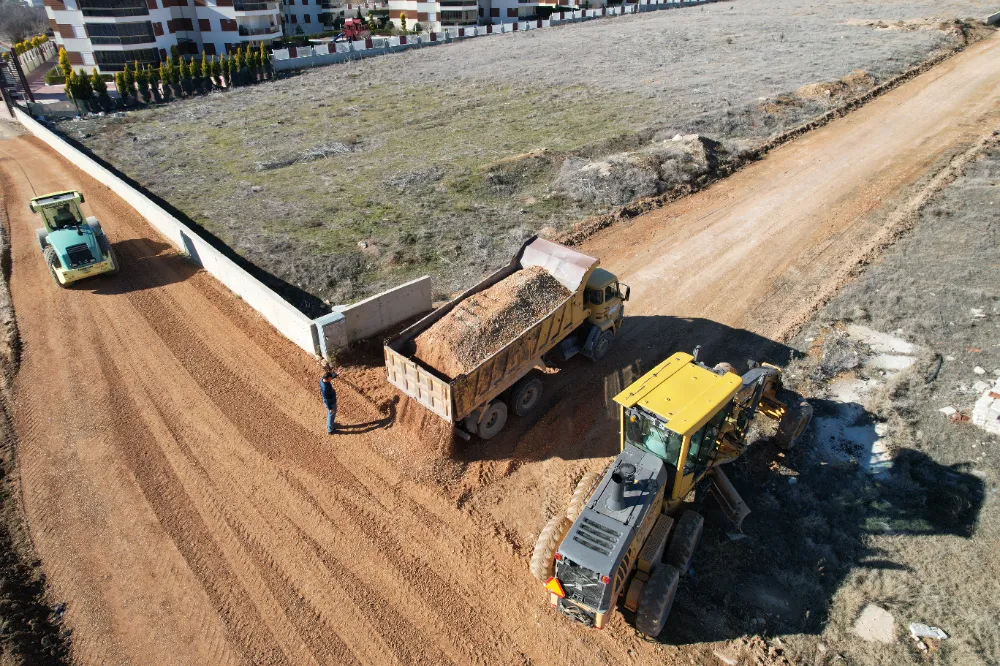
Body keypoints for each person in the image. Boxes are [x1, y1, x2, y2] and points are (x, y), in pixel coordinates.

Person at [321, 369, 340, 434]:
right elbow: (326, 400)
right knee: (331, 414)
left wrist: (336, 374)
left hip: (330, 400)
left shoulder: (322, 380)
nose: (331, 378)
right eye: (331, 377)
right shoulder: (325, 389)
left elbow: (330, 377)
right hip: (330, 402)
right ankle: (330, 430)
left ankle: (329, 425)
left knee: (331, 415)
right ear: (328, 378)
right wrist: (330, 408)